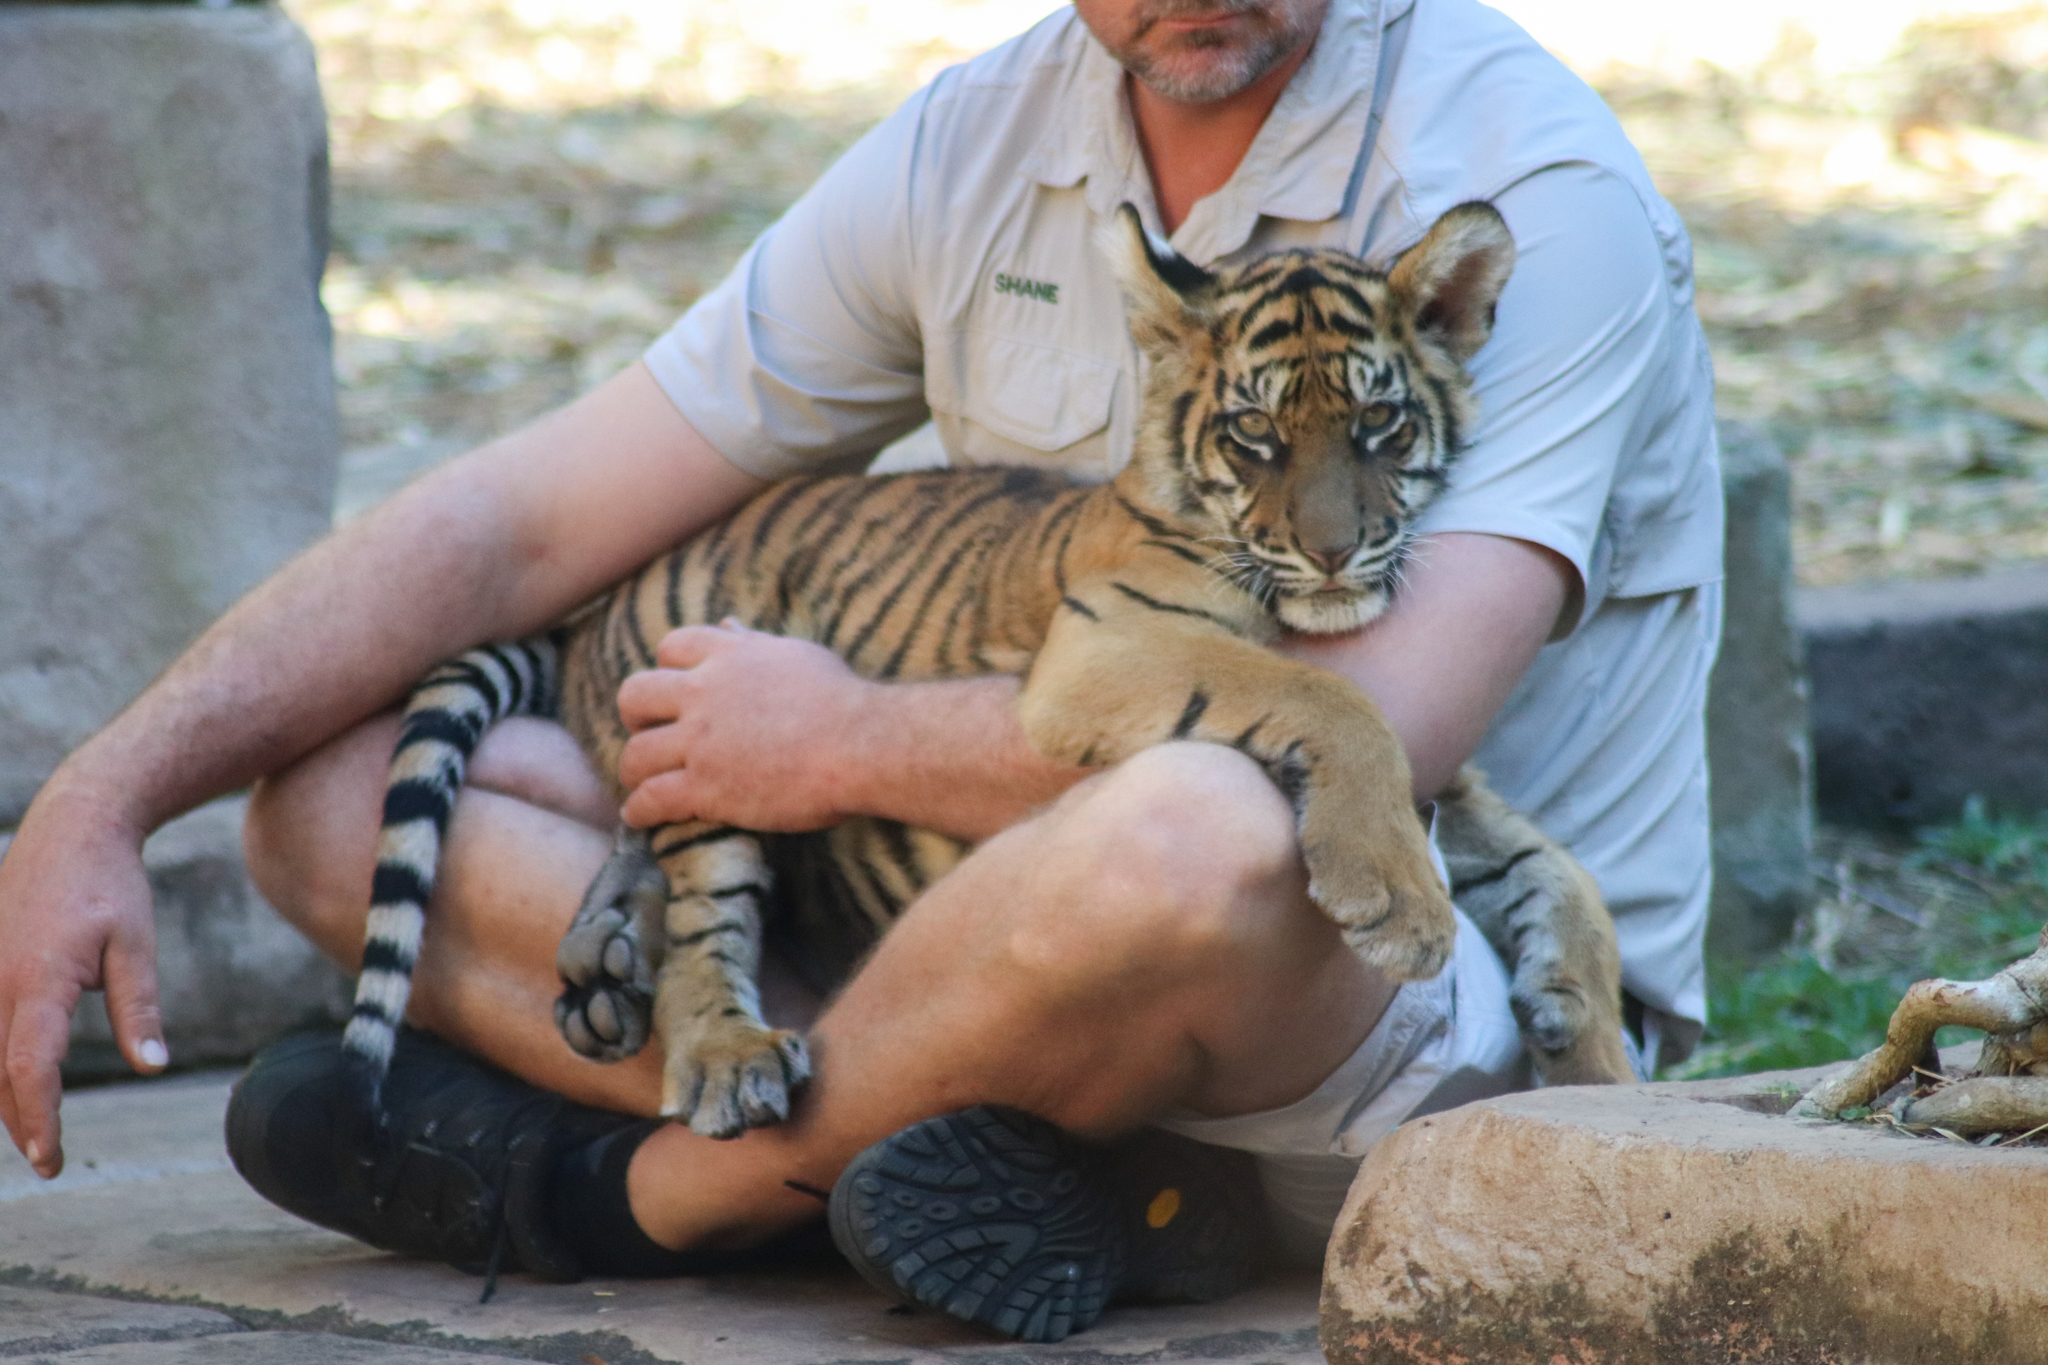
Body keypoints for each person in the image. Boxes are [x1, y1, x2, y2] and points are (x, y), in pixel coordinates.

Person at [0, 0, 1721, 1336]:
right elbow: (528, 524)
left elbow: (1377, 741)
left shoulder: (1520, 180)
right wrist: (110, 785)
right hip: (1015, 920)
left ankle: (668, 1187)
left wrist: (832, 747)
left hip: (1428, 1003)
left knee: (1203, 823)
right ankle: (1006, 1152)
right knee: (326, 802)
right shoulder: (981, 141)